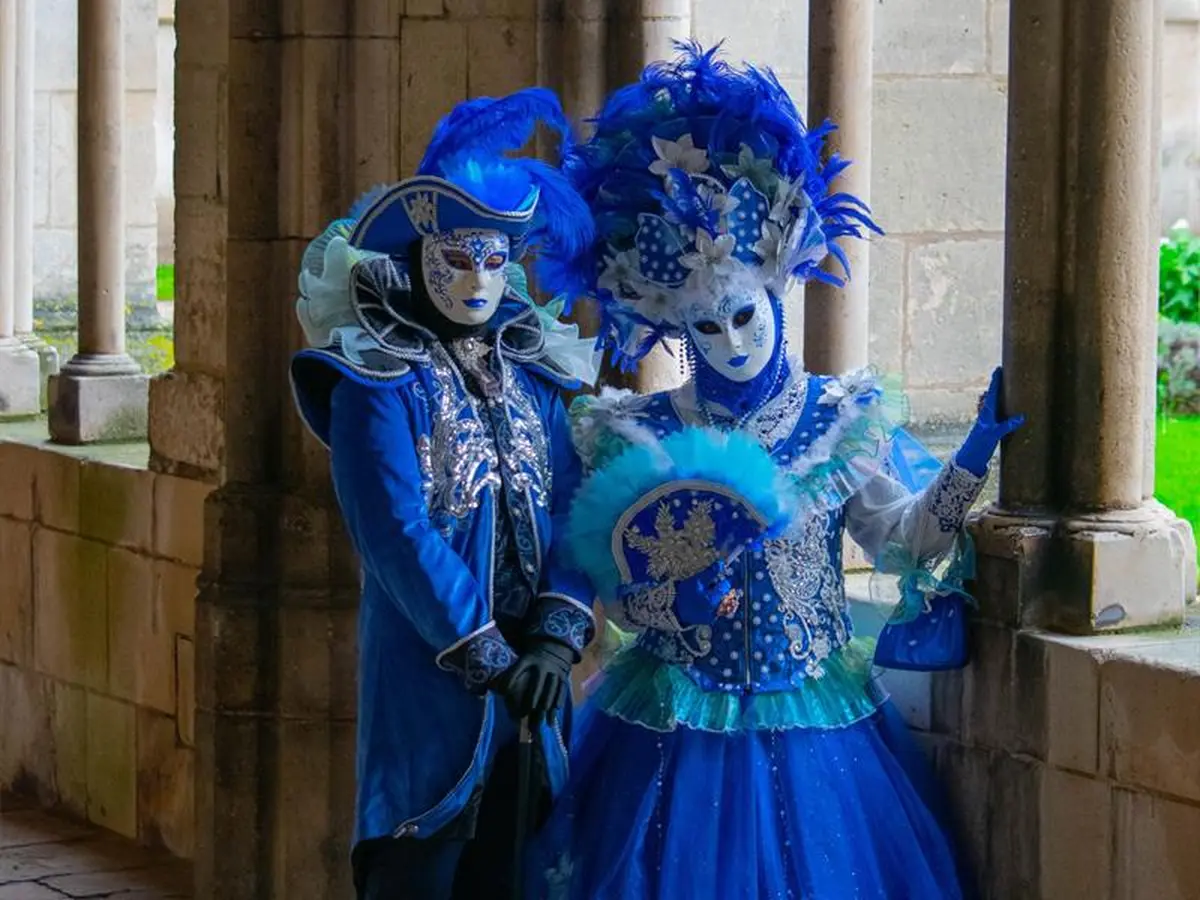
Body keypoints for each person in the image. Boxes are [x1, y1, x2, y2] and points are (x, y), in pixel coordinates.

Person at [528, 44, 1024, 899]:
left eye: (744, 315)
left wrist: (975, 454)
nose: (733, 340)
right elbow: (621, 589)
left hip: (816, 723)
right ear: (677, 328)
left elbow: (904, 540)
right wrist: (671, 607)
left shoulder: (837, 420)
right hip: (672, 720)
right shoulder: (639, 435)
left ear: (776, 295)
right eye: (707, 327)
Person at [288, 88, 600, 900]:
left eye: (494, 259)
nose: (478, 278)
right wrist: (490, 655)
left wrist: (554, 640)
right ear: (419, 256)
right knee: (419, 870)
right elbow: (396, 533)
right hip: (434, 677)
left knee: (517, 867)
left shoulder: (535, 377)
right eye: (458, 258)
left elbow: (575, 506)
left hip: (535, 682)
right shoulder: (376, 384)